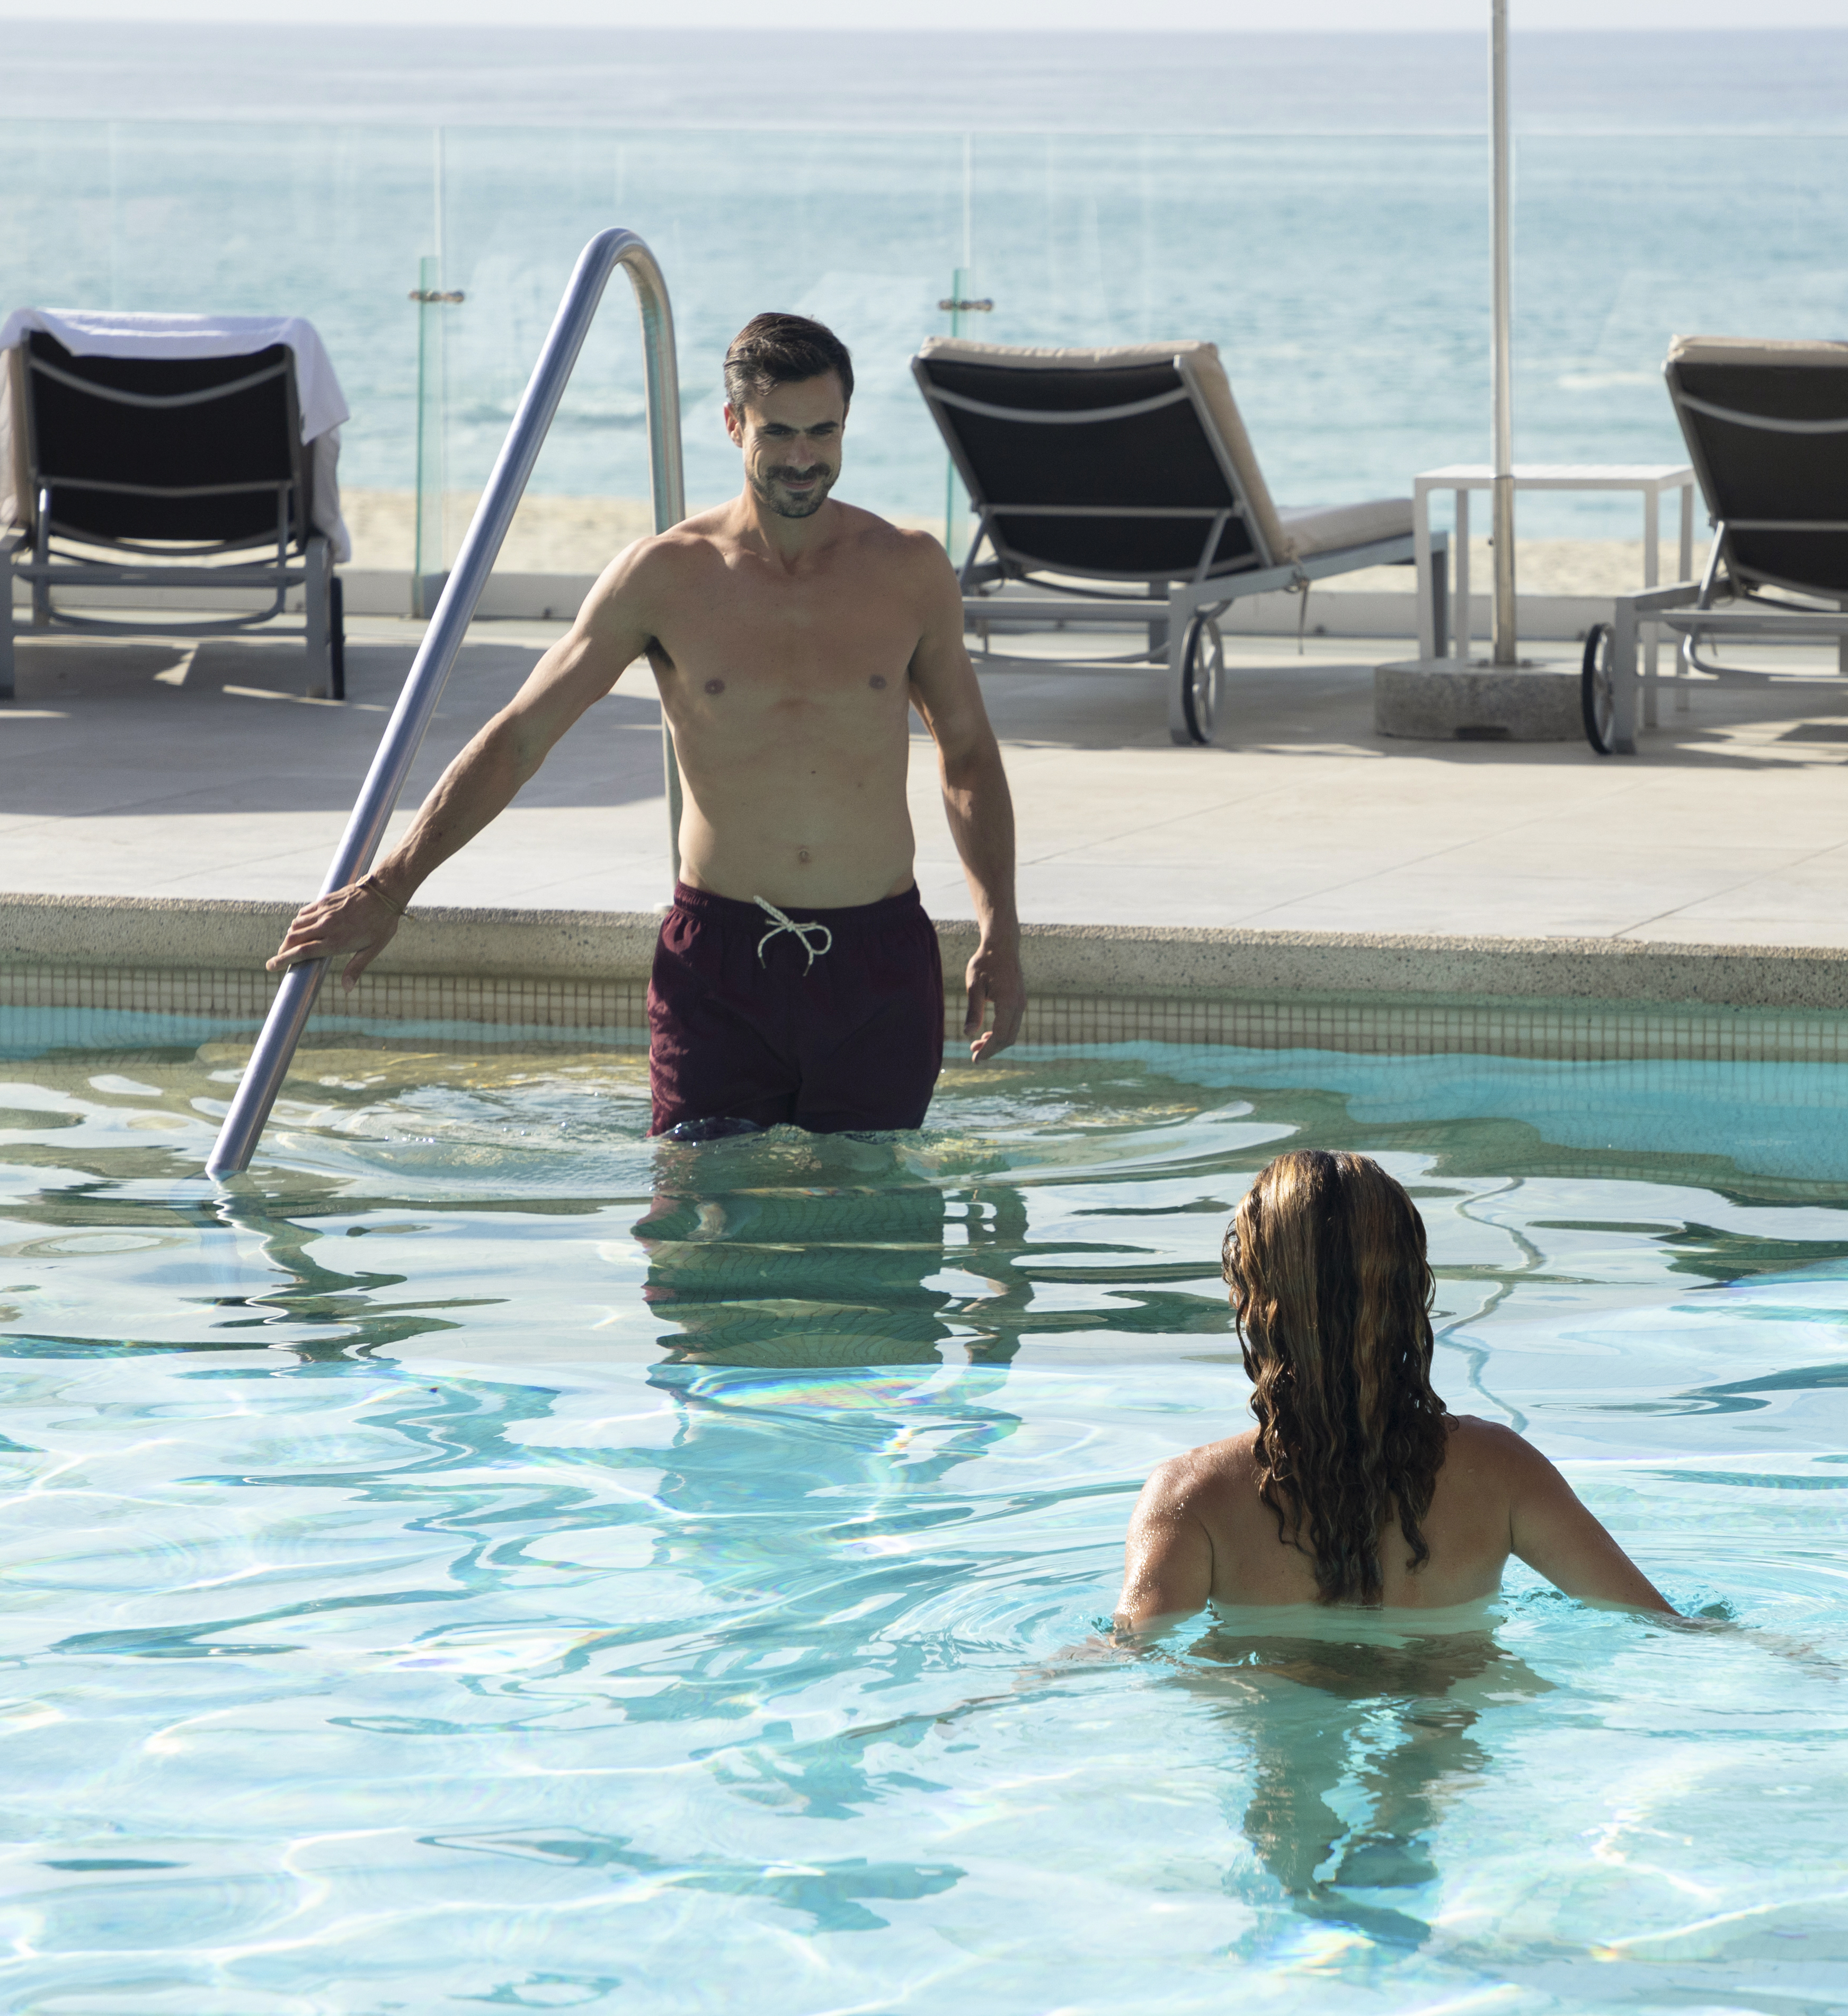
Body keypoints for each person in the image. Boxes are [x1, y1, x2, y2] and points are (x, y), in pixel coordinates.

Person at [266, 311, 1021, 1140]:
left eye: (823, 431)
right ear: (733, 424)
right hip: (721, 962)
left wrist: (1000, 931)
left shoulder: (908, 571)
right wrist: (390, 888)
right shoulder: (665, 576)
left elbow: (968, 759)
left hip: (878, 962)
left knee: (873, 1243)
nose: (804, 457)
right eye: (778, 432)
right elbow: (522, 735)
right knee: (699, 1244)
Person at [1114, 1149, 1675, 1630]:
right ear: (1412, 1296)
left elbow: (1132, 1655)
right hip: (1449, 1693)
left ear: (1252, 1299)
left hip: (1278, 1694)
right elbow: (1660, 1623)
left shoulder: (1192, 1497)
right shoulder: (1502, 1471)